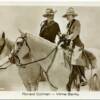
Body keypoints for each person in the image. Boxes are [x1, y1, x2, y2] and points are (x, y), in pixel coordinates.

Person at [62, 7, 87, 91]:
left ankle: (83, 77)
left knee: (75, 61)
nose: (67, 17)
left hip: (77, 45)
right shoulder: (68, 25)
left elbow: (75, 34)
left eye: (68, 15)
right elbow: (66, 34)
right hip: (70, 46)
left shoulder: (77, 23)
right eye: (67, 16)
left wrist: (67, 37)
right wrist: (62, 36)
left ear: (72, 15)